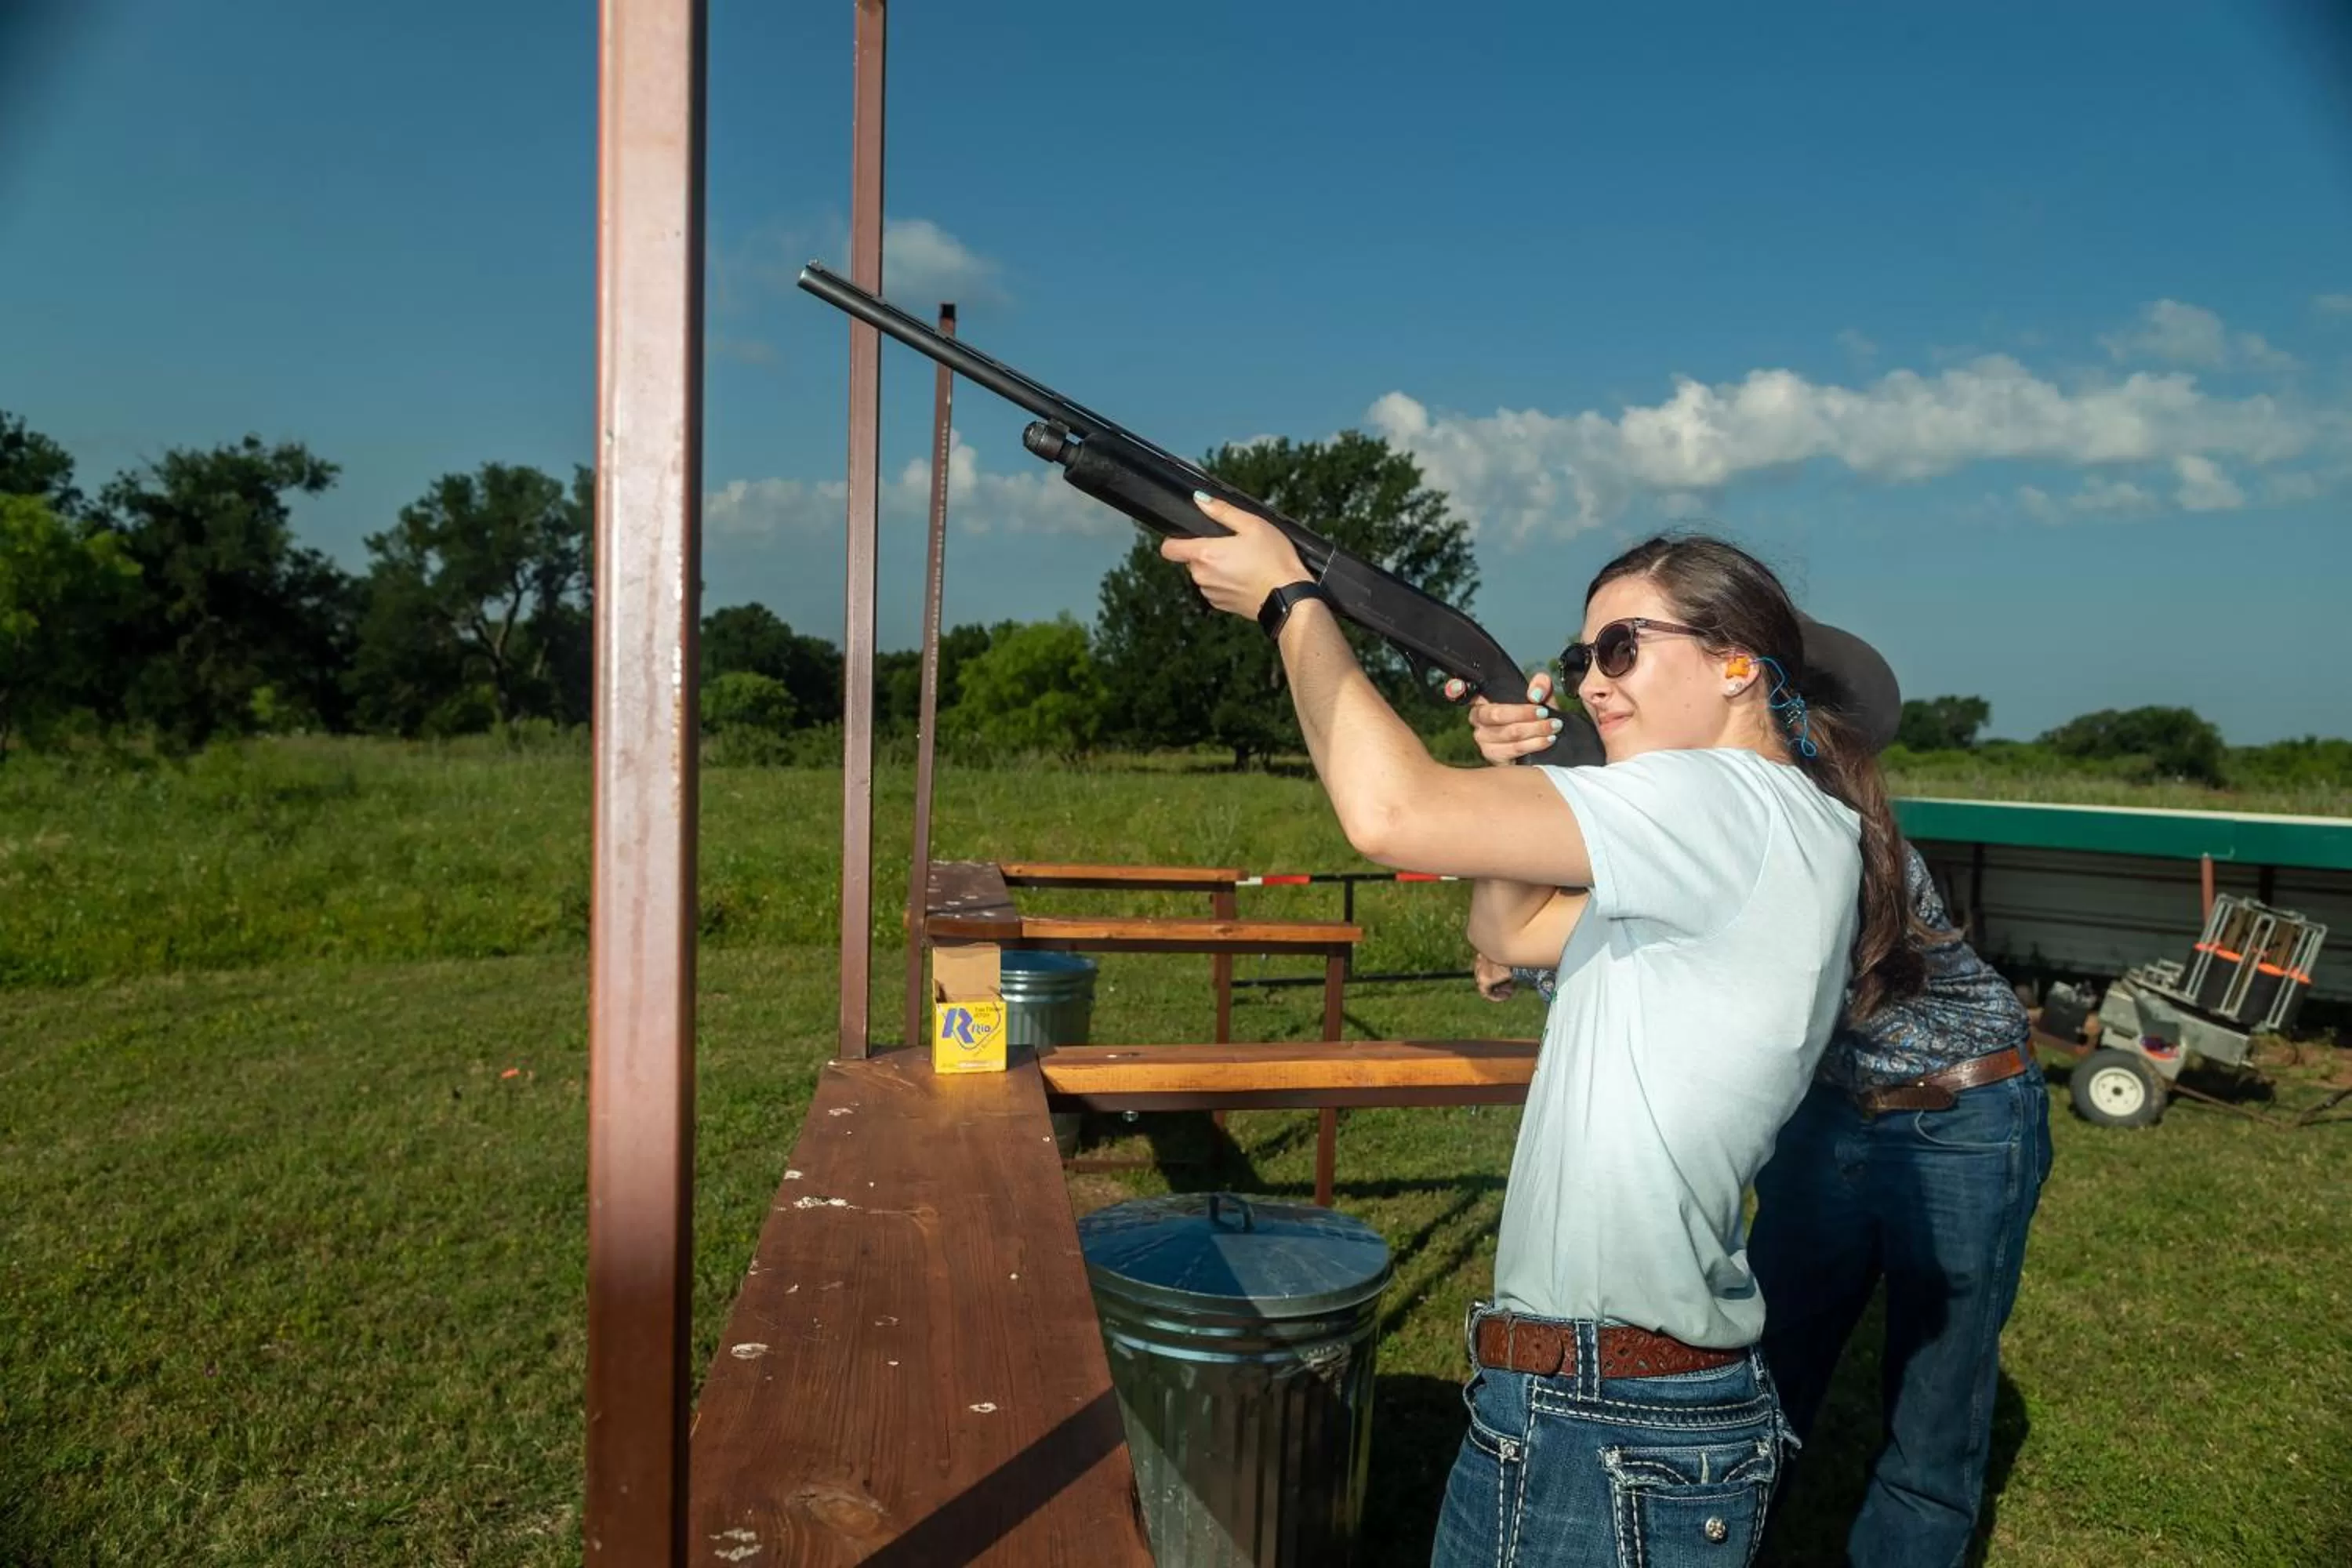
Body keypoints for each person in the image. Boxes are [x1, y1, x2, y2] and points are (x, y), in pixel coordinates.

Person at [1161, 499, 1918, 1568]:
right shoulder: (1766, 823)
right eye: (1581, 652)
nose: (1593, 678)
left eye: (1622, 647)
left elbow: (1390, 814)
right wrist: (1527, 771)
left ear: (1738, 663)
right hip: (1595, 1404)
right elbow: (1508, 930)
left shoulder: (1722, 798)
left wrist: (1293, 602)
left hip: (1610, 1417)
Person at [1466, 681, 2053, 1568]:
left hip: (1958, 1108)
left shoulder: (1815, 824)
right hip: (1829, 1109)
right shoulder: (1714, 810)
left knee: (1937, 1402)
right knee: (1769, 1358)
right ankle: (1706, 1525)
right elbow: (1651, 960)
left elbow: (1717, 944)